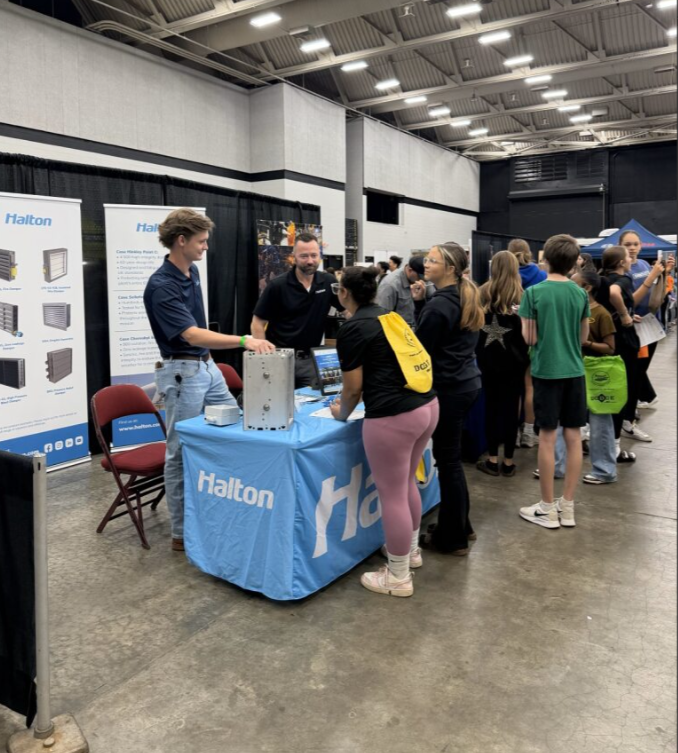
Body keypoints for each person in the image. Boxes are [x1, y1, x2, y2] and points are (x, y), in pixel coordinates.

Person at [144, 208, 275, 551]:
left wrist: (212, 360)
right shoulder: (161, 286)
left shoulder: (193, 273)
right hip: (182, 373)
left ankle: (225, 507)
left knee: (233, 427)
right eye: (201, 242)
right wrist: (245, 341)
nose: (205, 248)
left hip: (205, 366)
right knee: (180, 450)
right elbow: (189, 334)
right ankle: (181, 532)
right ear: (182, 240)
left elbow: (199, 328)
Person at [329, 267, 438, 598]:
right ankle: (410, 552)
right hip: (427, 406)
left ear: (344, 293)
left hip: (393, 417)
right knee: (406, 483)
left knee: (391, 494)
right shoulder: (391, 317)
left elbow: (351, 390)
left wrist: (340, 413)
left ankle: (398, 577)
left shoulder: (353, 329)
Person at [416, 243, 484, 555]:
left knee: (449, 463)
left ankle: (452, 537)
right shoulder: (461, 297)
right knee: (452, 461)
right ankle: (461, 526)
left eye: (432, 261)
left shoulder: (439, 306)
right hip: (466, 383)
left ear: (451, 269)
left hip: (449, 389)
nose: (425, 263)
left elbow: (420, 351)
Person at [518, 234, 590, 530]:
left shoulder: (533, 294)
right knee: (574, 437)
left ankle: (547, 508)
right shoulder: (581, 294)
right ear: (575, 262)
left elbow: (530, 338)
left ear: (545, 259)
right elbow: (583, 339)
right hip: (575, 372)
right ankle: (567, 506)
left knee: (547, 438)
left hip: (546, 372)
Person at [251, 233, 340, 388]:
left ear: (320, 254)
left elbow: (347, 311)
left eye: (314, 255)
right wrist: (266, 359)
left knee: (317, 404)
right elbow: (257, 324)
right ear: (294, 257)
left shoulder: (328, 282)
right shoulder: (278, 286)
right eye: (304, 256)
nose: (310, 261)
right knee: (277, 404)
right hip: (280, 358)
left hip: (311, 360)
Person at [599, 245, 662, 447]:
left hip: (608, 338)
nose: (632, 256)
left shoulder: (602, 278)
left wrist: (621, 313)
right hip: (624, 342)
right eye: (627, 253)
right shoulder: (623, 280)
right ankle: (616, 441)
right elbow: (614, 293)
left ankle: (613, 434)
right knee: (625, 386)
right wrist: (625, 315)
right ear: (620, 262)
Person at [476, 251, 529, 477]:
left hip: (488, 360)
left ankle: (492, 459)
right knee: (511, 409)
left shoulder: (483, 292)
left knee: (492, 408)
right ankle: (508, 461)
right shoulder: (523, 295)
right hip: (516, 361)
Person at [622, 229, 675, 409]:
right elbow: (630, 300)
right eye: (627, 244)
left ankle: (641, 398)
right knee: (635, 369)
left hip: (651, 324)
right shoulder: (623, 270)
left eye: (635, 244)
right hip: (634, 326)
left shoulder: (644, 264)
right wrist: (652, 276)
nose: (632, 248)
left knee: (641, 368)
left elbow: (654, 292)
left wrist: (664, 273)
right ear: (619, 246)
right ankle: (632, 406)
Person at [508, 239, 546, 449]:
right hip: (533, 332)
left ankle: (511, 432)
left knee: (513, 388)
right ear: (529, 253)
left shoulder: (506, 274)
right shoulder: (541, 275)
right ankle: (529, 433)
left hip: (509, 335)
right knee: (529, 385)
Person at [375, 256, 427, 326]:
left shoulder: (414, 280)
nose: (422, 280)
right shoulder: (390, 285)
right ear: (410, 270)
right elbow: (383, 318)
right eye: (420, 277)